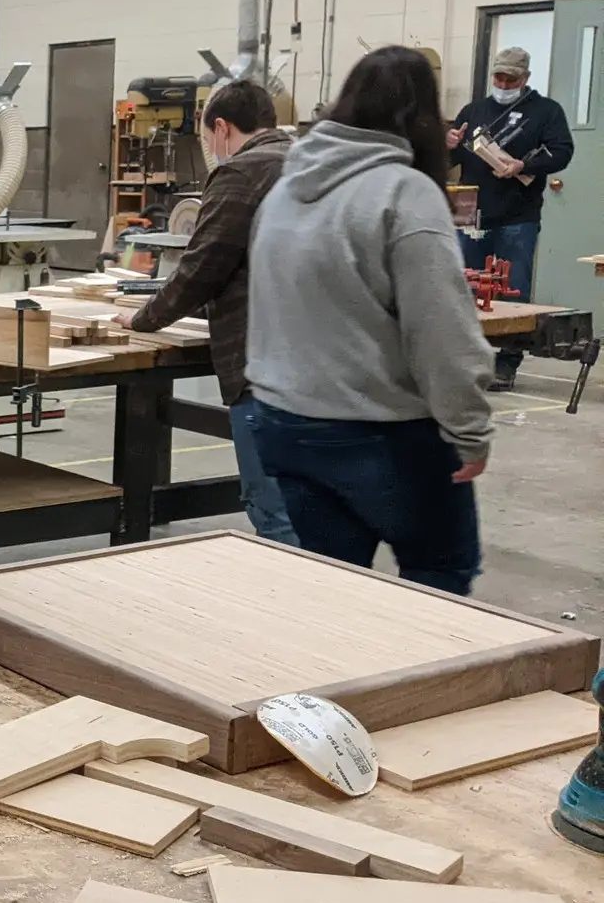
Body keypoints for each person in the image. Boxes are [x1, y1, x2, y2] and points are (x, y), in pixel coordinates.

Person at [245, 46, 495, 596]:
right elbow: (442, 334)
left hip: (285, 423)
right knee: (438, 577)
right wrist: (469, 430)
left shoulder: (286, 188)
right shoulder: (405, 193)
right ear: (422, 116)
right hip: (378, 432)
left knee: (334, 588)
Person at [119, 80, 296, 545]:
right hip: (323, 363)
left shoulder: (242, 173)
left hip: (262, 364)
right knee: (314, 506)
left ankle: (299, 589)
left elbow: (202, 269)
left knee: (275, 511)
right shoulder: (311, 162)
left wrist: (143, 318)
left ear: (221, 128)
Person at [446, 45, 574, 388]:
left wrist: (523, 165)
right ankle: (469, 359)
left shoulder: (546, 112)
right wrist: (447, 144)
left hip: (518, 216)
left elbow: (562, 152)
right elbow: (448, 160)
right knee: (466, 287)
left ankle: (506, 363)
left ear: (525, 78)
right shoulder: (473, 111)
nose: (503, 84)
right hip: (471, 216)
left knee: (511, 289)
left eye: (511, 79)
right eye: (499, 77)